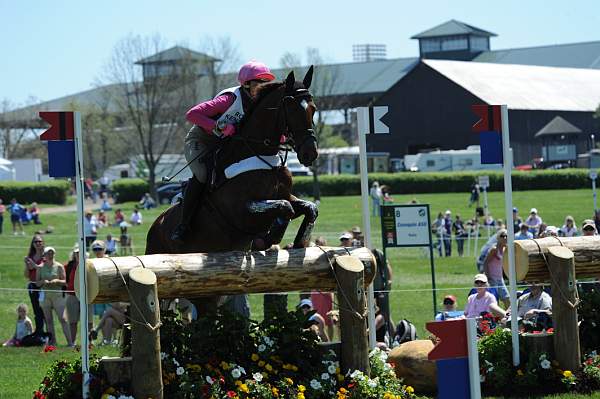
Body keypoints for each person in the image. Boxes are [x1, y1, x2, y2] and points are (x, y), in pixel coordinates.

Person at [171, 61, 276, 242]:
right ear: (246, 84)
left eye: (266, 83)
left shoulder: (259, 104)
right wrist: (219, 126)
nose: (263, 87)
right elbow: (192, 114)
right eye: (259, 83)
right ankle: (183, 224)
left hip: (227, 145)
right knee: (203, 175)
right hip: (202, 141)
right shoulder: (229, 100)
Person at [36, 247, 72, 346]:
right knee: (48, 320)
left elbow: (65, 282)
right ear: (44, 255)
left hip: (57, 295)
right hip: (45, 296)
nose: (50, 255)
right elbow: (37, 283)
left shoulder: (59, 266)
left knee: (63, 319)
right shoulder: (40, 267)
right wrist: (43, 281)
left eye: (52, 253)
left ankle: (70, 342)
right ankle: (53, 342)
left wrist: (56, 281)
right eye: (48, 253)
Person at [64, 245, 93, 346]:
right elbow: (65, 279)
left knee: (89, 321)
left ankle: (90, 342)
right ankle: (72, 342)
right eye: (77, 253)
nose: (78, 255)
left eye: (81, 253)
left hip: (86, 296)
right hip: (72, 295)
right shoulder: (69, 266)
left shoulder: (89, 265)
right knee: (73, 321)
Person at [24, 234, 46, 335]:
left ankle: (48, 333)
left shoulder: (46, 255)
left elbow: (42, 268)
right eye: (35, 242)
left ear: (43, 243)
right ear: (32, 244)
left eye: (40, 241)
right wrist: (27, 265)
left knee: (45, 311)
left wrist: (33, 265)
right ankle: (39, 332)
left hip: (43, 286)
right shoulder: (30, 256)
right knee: (36, 311)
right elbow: (26, 275)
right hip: (32, 285)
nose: (38, 243)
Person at [483, 229, 510, 308]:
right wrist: (488, 277)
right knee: (494, 300)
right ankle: (496, 318)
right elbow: (485, 263)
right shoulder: (494, 249)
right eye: (502, 236)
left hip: (500, 278)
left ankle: (508, 317)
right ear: (498, 237)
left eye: (506, 236)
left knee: (507, 299)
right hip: (492, 278)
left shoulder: (505, 249)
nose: (505, 238)